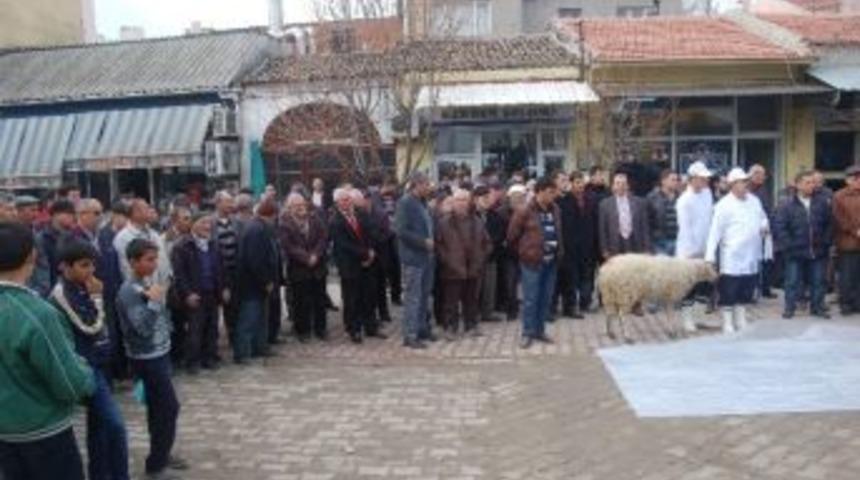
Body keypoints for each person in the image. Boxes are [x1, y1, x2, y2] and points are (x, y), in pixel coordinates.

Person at [0, 222, 95, 480]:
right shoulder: (37, 313)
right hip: (43, 433)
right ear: (32, 255)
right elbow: (70, 384)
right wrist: (86, 371)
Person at [51, 240, 130, 480]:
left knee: (100, 428)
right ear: (65, 267)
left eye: (93, 265)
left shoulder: (84, 284)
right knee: (115, 425)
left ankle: (101, 474)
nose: (91, 271)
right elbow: (90, 327)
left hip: (101, 361)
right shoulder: (61, 294)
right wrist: (97, 298)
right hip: (87, 366)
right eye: (84, 265)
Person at [116, 239, 187, 479]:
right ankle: (156, 463)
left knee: (159, 409)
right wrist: (156, 302)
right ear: (133, 261)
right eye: (148, 260)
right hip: (147, 358)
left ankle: (161, 453)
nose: (154, 264)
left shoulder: (147, 281)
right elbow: (142, 328)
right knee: (168, 408)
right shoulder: (128, 291)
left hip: (160, 352)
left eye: (155, 259)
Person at [706, 168, 769, 334]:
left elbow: (763, 217)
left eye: (746, 181)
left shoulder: (754, 201)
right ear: (732, 185)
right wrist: (710, 255)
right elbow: (715, 232)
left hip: (751, 253)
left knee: (747, 286)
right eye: (741, 182)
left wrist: (763, 226)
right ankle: (727, 321)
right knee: (729, 288)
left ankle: (741, 318)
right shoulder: (723, 205)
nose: (745, 184)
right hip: (732, 255)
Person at [507, 177, 562, 349]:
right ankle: (527, 333)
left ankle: (539, 330)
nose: (553, 196)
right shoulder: (525, 211)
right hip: (531, 262)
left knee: (545, 298)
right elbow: (511, 237)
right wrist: (525, 252)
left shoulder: (555, 209)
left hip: (551, 262)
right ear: (539, 192)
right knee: (531, 299)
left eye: (554, 192)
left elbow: (558, 232)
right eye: (549, 192)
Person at [171, 213, 227, 373]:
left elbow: (221, 269)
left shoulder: (214, 244)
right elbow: (179, 274)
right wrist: (187, 293)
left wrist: (224, 287)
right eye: (203, 223)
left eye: (209, 223)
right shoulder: (182, 246)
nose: (207, 227)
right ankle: (192, 361)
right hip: (195, 293)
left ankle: (209, 357)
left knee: (212, 327)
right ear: (194, 224)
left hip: (212, 292)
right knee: (195, 330)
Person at [774, 170, 832, 319]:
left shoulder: (822, 202)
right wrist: (788, 245)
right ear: (798, 185)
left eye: (813, 182)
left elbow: (829, 224)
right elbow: (780, 227)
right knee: (792, 281)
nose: (811, 185)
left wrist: (826, 242)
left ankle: (817, 307)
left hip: (817, 249)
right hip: (795, 251)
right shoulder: (786, 204)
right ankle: (789, 308)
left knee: (818, 281)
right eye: (807, 182)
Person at [331, 188, 387, 344]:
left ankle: (371, 327)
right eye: (343, 200)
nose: (347, 202)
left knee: (369, 296)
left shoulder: (361, 215)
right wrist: (364, 254)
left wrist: (370, 251)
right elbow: (344, 245)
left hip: (367, 263)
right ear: (337, 203)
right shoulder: (335, 221)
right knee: (351, 299)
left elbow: (371, 233)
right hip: (350, 265)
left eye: (348, 199)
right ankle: (353, 329)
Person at [435, 189, 491, 340]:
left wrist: (480, 259)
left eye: (465, 200)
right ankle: (450, 328)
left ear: (469, 202)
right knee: (450, 302)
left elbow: (487, 243)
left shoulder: (477, 221)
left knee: (471, 300)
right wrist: (447, 260)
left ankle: (471, 325)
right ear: (453, 203)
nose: (461, 203)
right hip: (452, 269)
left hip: (473, 268)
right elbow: (438, 245)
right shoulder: (443, 223)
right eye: (458, 200)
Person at [234, 199, 280, 364]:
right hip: (252, 285)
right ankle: (243, 354)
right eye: (275, 216)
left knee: (260, 318)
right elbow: (255, 260)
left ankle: (259, 348)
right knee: (249, 319)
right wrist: (266, 280)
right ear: (271, 214)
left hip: (256, 284)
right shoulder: (256, 229)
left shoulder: (258, 226)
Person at [394, 173, 437, 349]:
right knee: (413, 297)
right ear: (417, 185)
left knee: (424, 296)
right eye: (426, 185)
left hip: (426, 258)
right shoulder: (405, 203)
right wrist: (423, 242)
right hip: (413, 258)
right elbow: (401, 231)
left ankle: (422, 328)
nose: (429, 188)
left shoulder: (422, 203)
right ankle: (410, 335)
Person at [280, 193, 329, 342]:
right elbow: (288, 246)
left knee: (319, 300)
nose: (301, 207)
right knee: (301, 301)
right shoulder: (285, 223)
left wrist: (315, 255)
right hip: (299, 269)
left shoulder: (315, 219)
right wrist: (306, 258)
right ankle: (303, 331)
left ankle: (321, 329)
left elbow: (323, 238)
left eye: (302, 204)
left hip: (317, 268)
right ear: (289, 208)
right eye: (296, 205)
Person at [675, 161, 715, 332]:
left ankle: (698, 318)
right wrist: (692, 252)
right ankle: (687, 320)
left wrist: (709, 247)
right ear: (692, 179)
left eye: (706, 178)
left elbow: (711, 219)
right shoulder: (684, 200)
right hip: (689, 252)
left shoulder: (708, 193)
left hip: (707, 249)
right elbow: (685, 229)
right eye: (702, 178)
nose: (706, 180)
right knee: (689, 288)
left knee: (706, 286)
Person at [556, 171, 599, 318]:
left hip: (588, 246)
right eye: (577, 182)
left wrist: (596, 244)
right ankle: (571, 307)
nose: (580, 185)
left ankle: (585, 303)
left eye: (582, 182)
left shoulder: (592, 199)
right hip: (571, 247)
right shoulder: (564, 201)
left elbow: (595, 223)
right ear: (571, 184)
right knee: (571, 279)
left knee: (587, 277)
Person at [598, 172, 651, 260]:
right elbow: (603, 230)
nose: (620, 186)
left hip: (635, 242)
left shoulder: (640, 203)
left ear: (628, 186)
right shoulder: (604, 204)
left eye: (623, 183)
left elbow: (645, 227)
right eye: (617, 183)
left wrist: (647, 248)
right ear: (613, 186)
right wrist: (604, 250)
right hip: (615, 243)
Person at [31, 199, 77, 296]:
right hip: (50, 291)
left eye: (73, 214)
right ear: (55, 215)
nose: (72, 218)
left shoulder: (73, 237)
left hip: (70, 290)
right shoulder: (42, 239)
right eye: (68, 214)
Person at [474, 185, 506, 322]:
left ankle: (488, 312)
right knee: (474, 288)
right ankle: (472, 314)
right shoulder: (470, 214)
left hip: (491, 256)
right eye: (484, 198)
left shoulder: (495, 215)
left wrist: (491, 245)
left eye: (489, 198)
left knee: (489, 286)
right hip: (474, 258)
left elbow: (500, 234)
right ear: (475, 199)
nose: (487, 201)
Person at [213, 191, 240, 347]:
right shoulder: (210, 223)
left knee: (233, 308)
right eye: (228, 201)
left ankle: (234, 338)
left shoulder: (235, 222)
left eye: (232, 201)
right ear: (218, 203)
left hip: (234, 272)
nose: (231, 204)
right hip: (218, 273)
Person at [832, 165, 860, 316]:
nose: (858, 181)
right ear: (847, 180)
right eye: (855, 178)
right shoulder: (839, 196)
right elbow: (839, 218)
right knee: (847, 275)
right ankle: (845, 304)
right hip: (847, 242)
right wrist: (855, 231)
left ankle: (857, 303)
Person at [499, 184, 529, 321]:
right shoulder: (501, 213)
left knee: (527, 283)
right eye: (515, 197)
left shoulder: (528, 212)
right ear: (510, 198)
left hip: (525, 252)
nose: (518, 200)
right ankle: (511, 310)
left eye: (521, 197)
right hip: (509, 254)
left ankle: (527, 310)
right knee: (510, 283)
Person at [646, 169, 680, 256]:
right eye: (673, 180)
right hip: (660, 242)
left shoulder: (681, 198)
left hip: (678, 241)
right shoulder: (652, 198)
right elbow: (647, 222)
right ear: (663, 181)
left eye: (677, 180)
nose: (676, 182)